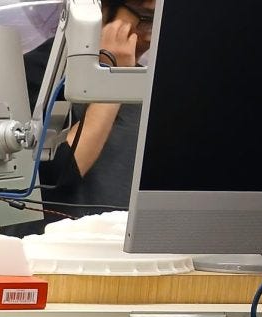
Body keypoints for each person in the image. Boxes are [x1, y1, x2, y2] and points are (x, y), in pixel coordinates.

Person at [9, 0, 157, 232]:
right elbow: (54, 178)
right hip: (53, 252)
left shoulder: (147, 82)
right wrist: (112, 79)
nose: (149, 37)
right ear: (95, 10)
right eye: (146, 19)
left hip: (126, 252)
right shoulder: (40, 72)